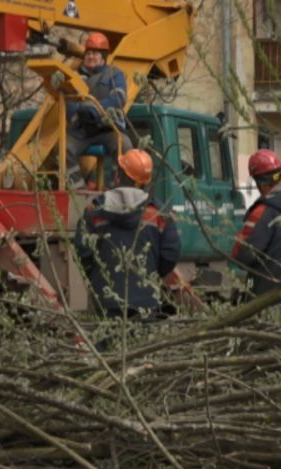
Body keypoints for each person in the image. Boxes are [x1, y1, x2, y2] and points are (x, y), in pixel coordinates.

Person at [74, 149, 180, 319]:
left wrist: (98, 277)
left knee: (107, 344)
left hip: (106, 301)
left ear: (119, 174)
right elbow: (170, 254)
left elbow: (82, 252)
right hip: (147, 302)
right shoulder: (159, 214)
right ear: (146, 181)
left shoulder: (95, 210)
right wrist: (150, 276)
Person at [232, 149, 281, 296]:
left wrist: (239, 240)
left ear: (260, 183)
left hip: (269, 296)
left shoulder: (263, 212)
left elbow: (244, 255)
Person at [64, 31, 133, 189]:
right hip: (82, 132)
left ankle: (120, 190)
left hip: (107, 130)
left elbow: (118, 99)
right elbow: (69, 103)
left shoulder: (114, 75)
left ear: (103, 56)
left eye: (95, 53)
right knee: (65, 149)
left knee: (125, 146)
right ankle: (79, 194)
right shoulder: (75, 77)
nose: (90, 57)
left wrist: (95, 110)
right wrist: (79, 114)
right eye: (88, 53)